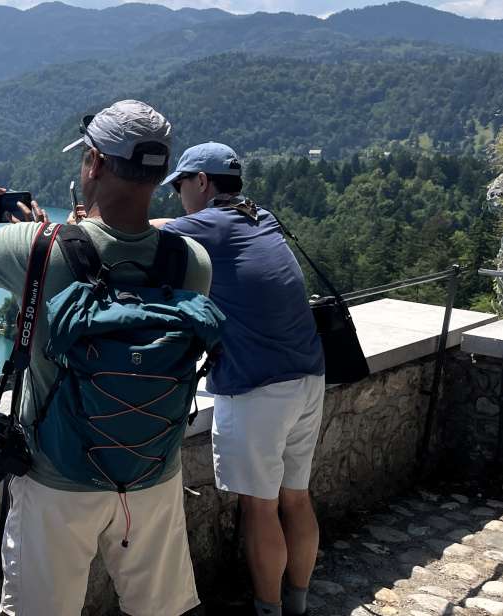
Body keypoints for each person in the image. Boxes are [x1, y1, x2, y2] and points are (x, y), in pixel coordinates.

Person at [0, 100, 213, 616]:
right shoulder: (191, 261)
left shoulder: (41, 249)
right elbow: (130, 258)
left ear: (95, 163)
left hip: (58, 480)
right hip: (151, 472)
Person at [154, 142, 326, 616]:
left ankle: (268, 610)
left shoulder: (206, 224)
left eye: (181, 185)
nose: (177, 197)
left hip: (258, 387)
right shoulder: (259, 215)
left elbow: (138, 234)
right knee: (296, 498)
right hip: (309, 375)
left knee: (260, 508)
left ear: (202, 183)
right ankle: (299, 602)